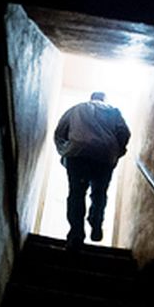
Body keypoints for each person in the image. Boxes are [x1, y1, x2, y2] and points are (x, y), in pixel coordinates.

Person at [54, 91, 131, 249]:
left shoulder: (76, 109)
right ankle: (96, 223)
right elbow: (124, 133)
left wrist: (65, 150)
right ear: (104, 99)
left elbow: (60, 131)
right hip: (104, 156)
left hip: (78, 154)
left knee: (76, 193)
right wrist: (117, 152)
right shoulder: (113, 111)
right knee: (99, 192)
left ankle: (76, 234)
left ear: (91, 97)